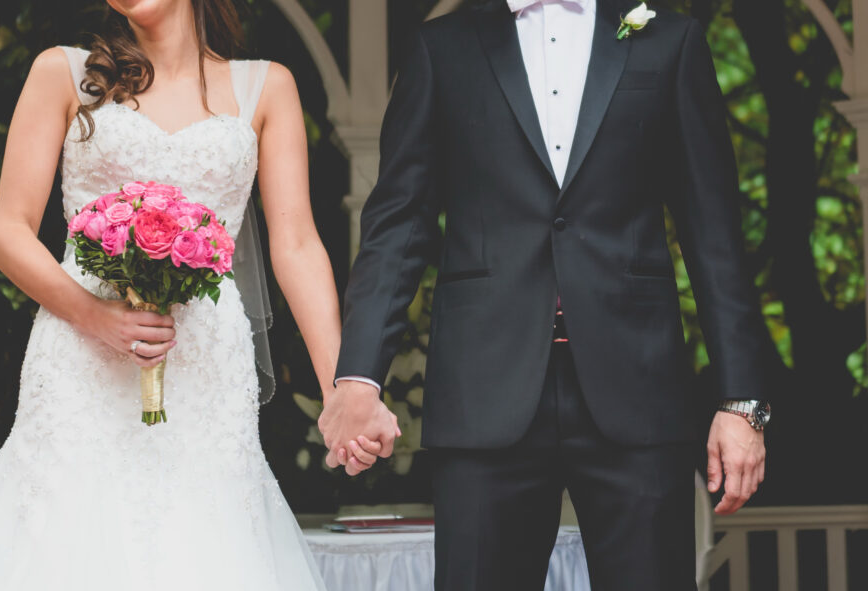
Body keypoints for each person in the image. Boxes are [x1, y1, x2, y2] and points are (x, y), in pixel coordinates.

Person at [0, 1, 394, 589]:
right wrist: (97, 317)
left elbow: (296, 244)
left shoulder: (266, 87)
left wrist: (342, 392)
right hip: (80, 367)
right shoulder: (65, 73)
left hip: (206, 375)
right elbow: (8, 232)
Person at [319, 0, 775, 589]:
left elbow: (714, 234)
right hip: (484, 390)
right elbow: (398, 227)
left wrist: (743, 404)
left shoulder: (671, 41)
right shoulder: (442, 47)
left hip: (636, 388)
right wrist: (359, 376)